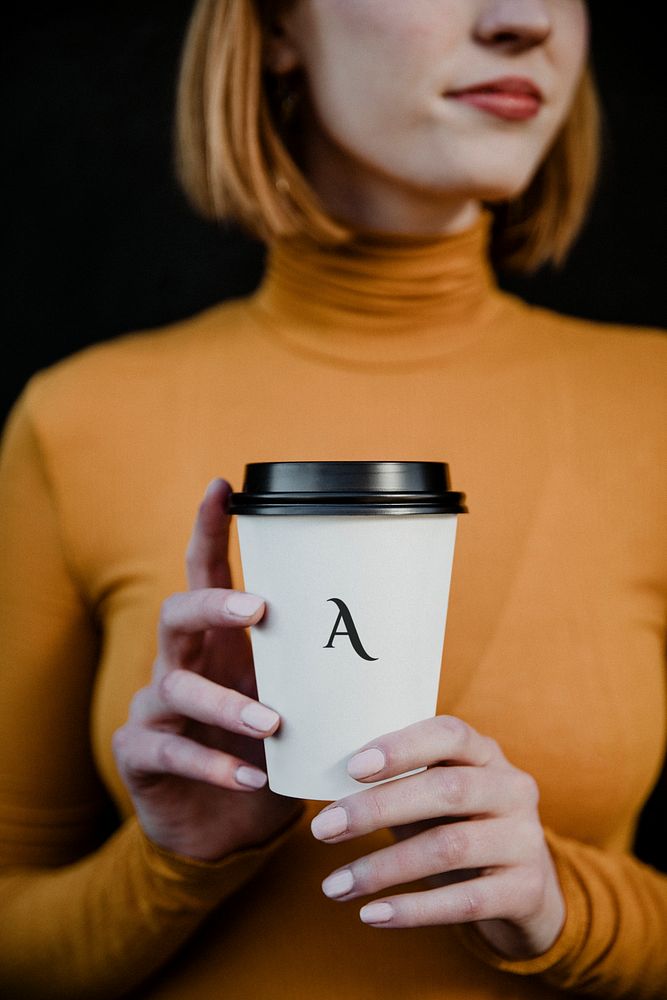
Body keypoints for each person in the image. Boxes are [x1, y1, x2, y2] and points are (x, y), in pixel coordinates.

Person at [0, 1, 665, 997]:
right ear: (272, 25)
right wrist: (176, 860)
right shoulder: (76, 419)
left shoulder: (650, 409)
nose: (525, 19)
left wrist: (563, 906)